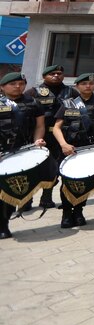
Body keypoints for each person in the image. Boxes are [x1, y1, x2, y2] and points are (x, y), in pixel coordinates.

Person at [52, 73, 94, 228]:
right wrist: (63, 144)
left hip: (91, 149)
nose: (88, 86)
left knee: (85, 181)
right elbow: (57, 128)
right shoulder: (67, 103)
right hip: (70, 149)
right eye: (84, 83)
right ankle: (66, 213)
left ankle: (78, 211)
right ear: (77, 86)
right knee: (67, 181)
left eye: (91, 83)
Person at [0, 72, 46, 239]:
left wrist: (37, 141)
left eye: (21, 83)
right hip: (1, 152)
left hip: (22, 152)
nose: (18, 87)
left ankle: (4, 221)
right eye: (13, 84)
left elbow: (40, 126)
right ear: (2, 87)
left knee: (12, 187)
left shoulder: (33, 103)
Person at [25, 64, 72, 210]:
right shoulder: (33, 92)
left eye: (59, 73)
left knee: (54, 168)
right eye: (52, 74)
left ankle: (46, 197)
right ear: (44, 76)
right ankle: (27, 200)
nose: (56, 76)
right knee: (32, 168)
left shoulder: (71, 92)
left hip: (61, 137)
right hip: (39, 137)